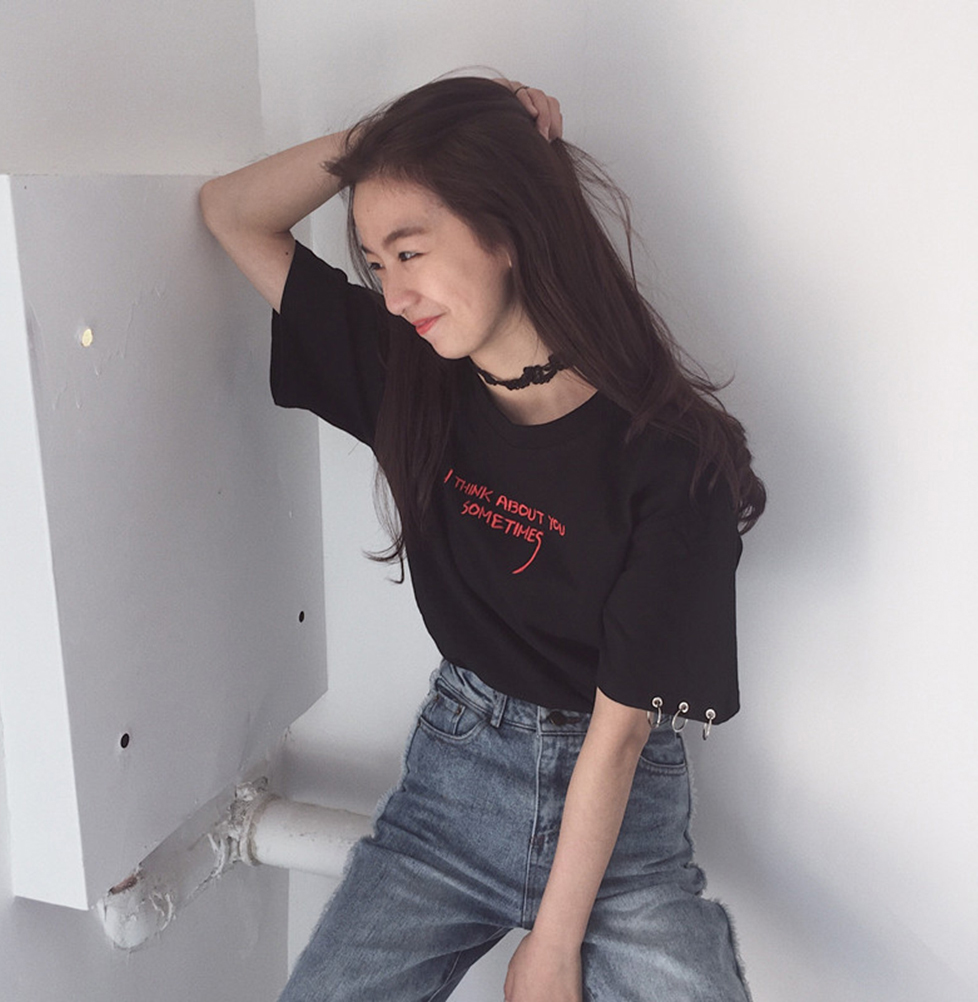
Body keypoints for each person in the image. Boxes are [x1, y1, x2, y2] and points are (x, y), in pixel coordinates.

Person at [201, 74, 764, 1002]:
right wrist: (387, 136)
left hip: (621, 830)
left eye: (410, 252)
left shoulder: (674, 461)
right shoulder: (406, 374)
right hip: (453, 794)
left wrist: (552, 946)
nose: (393, 296)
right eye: (375, 264)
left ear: (506, 231)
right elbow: (232, 212)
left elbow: (620, 735)